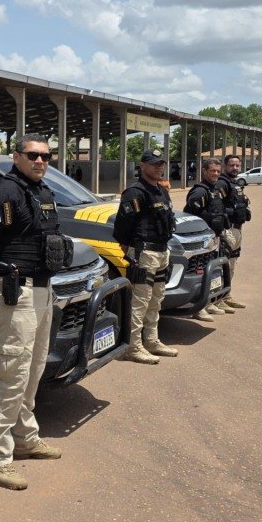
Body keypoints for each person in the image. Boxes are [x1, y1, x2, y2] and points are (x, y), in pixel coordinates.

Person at [0, 134, 71, 491]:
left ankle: (24, 437)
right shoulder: (5, 192)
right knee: (12, 373)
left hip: (43, 289)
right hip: (14, 291)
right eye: (33, 155)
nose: (40, 161)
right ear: (16, 156)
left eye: (46, 156)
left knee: (33, 369)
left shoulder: (43, 192)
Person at [111, 148, 178, 364]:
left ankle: (151, 340)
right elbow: (121, 229)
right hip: (144, 253)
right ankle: (132, 347)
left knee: (156, 300)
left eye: (161, 163)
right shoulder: (135, 192)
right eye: (154, 163)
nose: (159, 167)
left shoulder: (161, 190)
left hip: (161, 251)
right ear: (142, 165)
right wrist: (130, 252)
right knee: (140, 302)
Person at [184, 158, 228, 322]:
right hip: (203, 241)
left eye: (218, 171)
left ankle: (208, 303)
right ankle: (197, 308)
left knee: (214, 271)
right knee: (201, 273)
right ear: (204, 171)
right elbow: (190, 215)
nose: (216, 174)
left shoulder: (215, 189)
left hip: (214, 238)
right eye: (212, 171)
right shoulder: (200, 192)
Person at [218, 155, 250, 311]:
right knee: (222, 266)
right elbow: (217, 207)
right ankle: (217, 298)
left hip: (237, 229)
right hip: (227, 230)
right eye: (232, 165)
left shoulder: (235, 184)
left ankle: (226, 295)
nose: (235, 168)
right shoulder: (221, 184)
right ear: (225, 166)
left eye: (237, 165)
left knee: (231, 265)